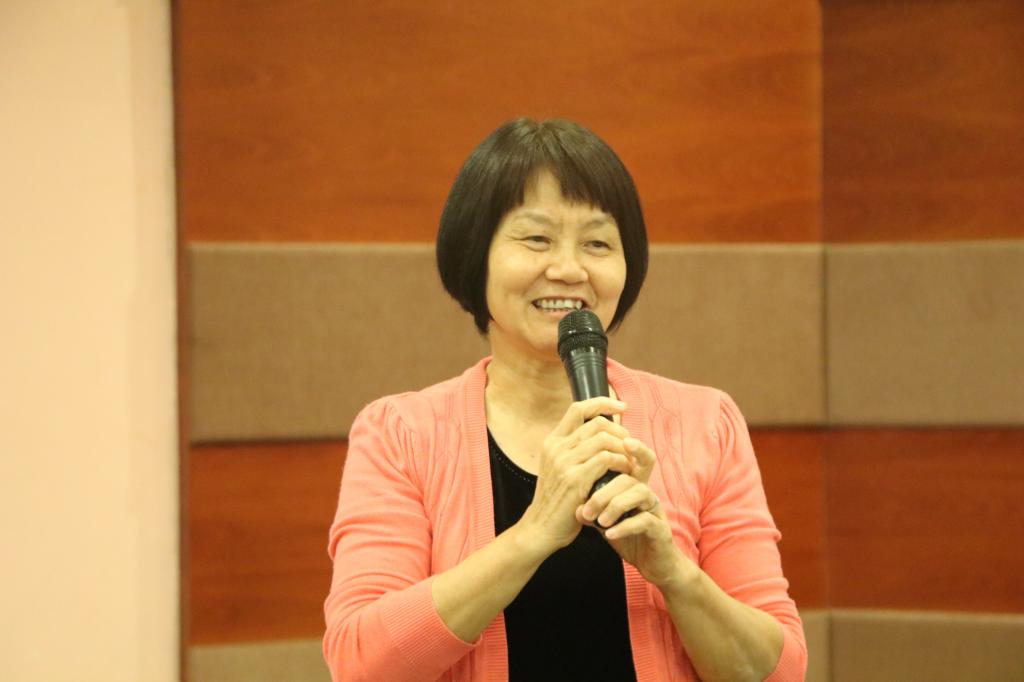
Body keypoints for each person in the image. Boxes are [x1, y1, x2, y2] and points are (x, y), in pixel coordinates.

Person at [323, 118, 807, 681]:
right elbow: (361, 665)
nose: (570, 269)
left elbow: (778, 673)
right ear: (476, 254)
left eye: (597, 243)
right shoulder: (401, 434)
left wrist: (675, 573)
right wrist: (532, 534)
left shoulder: (705, 424)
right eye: (537, 239)